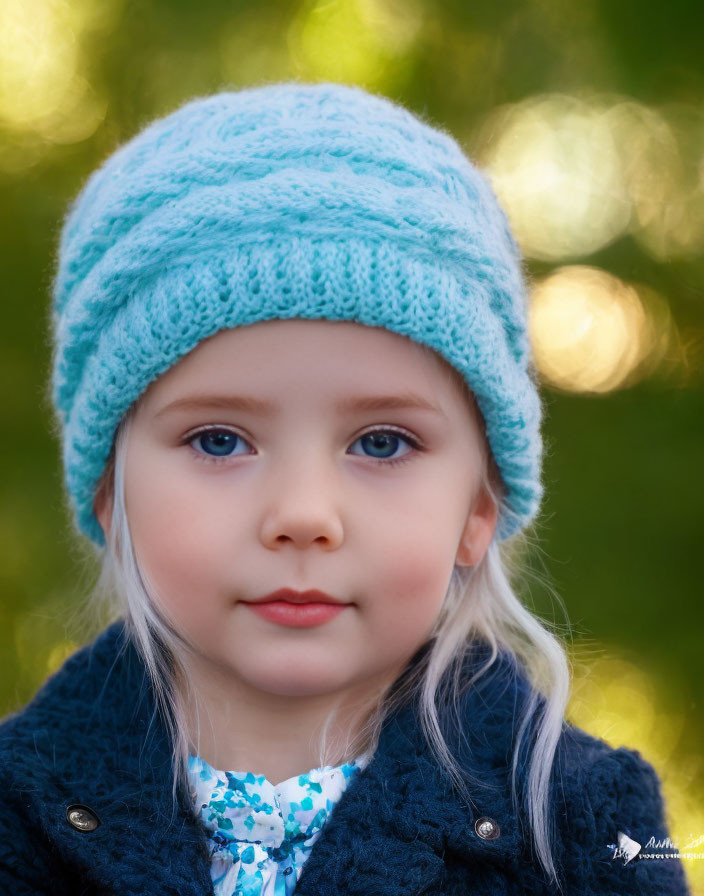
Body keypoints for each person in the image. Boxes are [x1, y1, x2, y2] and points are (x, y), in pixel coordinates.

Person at [0, 81, 690, 896]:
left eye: (382, 443)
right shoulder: (19, 814)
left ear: (478, 504)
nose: (302, 516)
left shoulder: (584, 829)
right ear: (112, 491)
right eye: (219, 440)